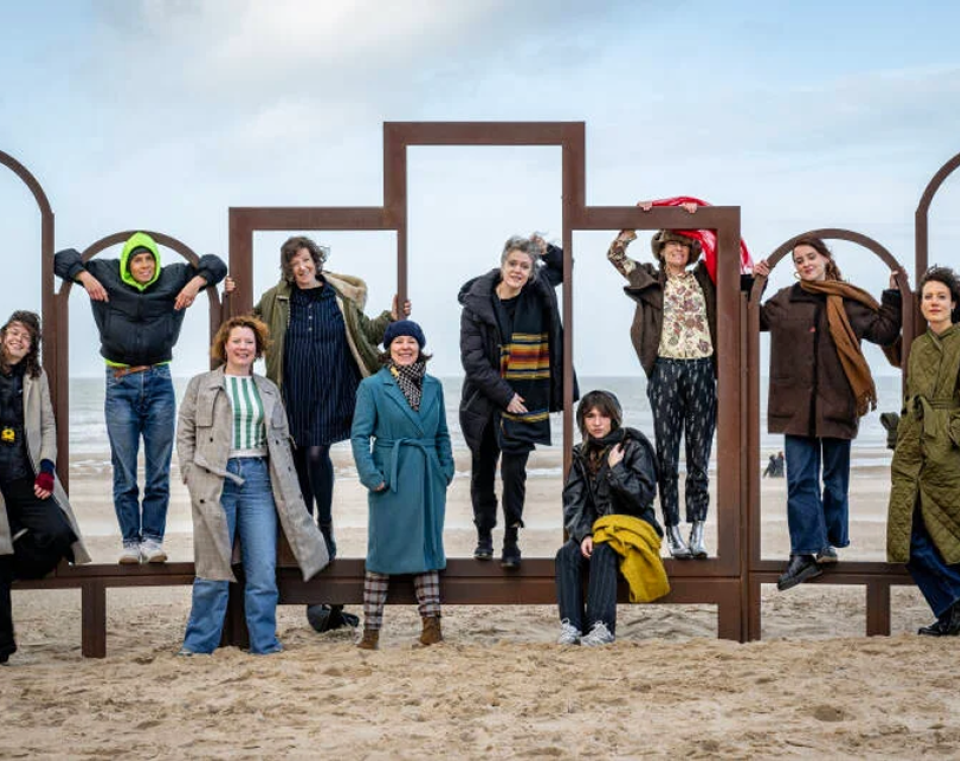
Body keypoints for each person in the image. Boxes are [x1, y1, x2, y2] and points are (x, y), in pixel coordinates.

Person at [225, 235, 409, 633]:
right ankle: (313, 551)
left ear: (316, 261)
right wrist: (229, 297)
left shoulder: (339, 297)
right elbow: (247, 329)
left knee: (313, 456)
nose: (302, 267)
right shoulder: (277, 298)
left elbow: (369, 332)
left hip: (331, 390)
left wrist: (392, 316)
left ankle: (321, 522)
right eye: (295, 263)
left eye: (307, 260)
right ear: (288, 268)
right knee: (296, 462)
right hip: (292, 394)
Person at [55, 233, 227, 564]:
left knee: (159, 468)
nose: (144, 265)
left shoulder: (174, 277)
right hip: (119, 384)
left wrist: (196, 284)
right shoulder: (105, 273)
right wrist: (85, 276)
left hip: (160, 381)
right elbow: (61, 258)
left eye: (149, 259)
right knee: (124, 469)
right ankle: (130, 542)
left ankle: (152, 539)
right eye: (137, 259)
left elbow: (216, 264)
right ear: (127, 262)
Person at [754, 237, 902, 591]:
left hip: (838, 403)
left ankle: (828, 543)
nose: (805, 263)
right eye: (799, 260)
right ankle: (805, 553)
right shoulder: (785, 300)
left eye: (810, 257)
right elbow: (751, 318)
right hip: (793, 406)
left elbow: (884, 332)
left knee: (835, 484)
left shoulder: (848, 300)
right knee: (799, 482)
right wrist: (753, 284)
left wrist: (893, 296)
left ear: (825, 258)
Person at [176, 316, 329, 655]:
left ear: (257, 349)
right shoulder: (201, 384)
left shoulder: (268, 389)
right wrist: (189, 471)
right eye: (237, 341)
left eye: (249, 342)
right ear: (224, 346)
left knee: (262, 569)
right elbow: (185, 433)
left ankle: (264, 643)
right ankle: (198, 644)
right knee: (213, 566)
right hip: (215, 479)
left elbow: (281, 440)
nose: (243, 347)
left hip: (260, 480)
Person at [606, 205, 720, 559]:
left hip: (702, 368)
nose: (678, 250)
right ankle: (672, 531)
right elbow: (615, 254)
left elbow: (722, 246)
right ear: (661, 249)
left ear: (691, 251)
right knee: (668, 457)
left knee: (699, 455)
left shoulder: (705, 278)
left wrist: (694, 212)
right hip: (665, 370)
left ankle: (698, 528)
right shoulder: (650, 279)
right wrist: (644, 217)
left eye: (684, 245)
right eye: (671, 244)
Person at [459, 234, 573, 568]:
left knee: (514, 474)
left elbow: (566, 266)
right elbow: (473, 361)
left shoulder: (538, 291)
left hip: (526, 399)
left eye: (525, 265)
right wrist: (504, 395)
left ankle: (511, 539)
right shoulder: (476, 303)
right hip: (484, 402)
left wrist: (546, 249)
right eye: (513, 264)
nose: (519, 271)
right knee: (482, 473)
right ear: (502, 263)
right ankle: (484, 536)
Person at [350, 321, 454, 650]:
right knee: (382, 550)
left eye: (412, 341)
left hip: (426, 475)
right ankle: (371, 631)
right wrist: (371, 475)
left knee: (426, 547)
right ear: (389, 347)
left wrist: (445, 470)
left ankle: (432, 626)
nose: (405, 346)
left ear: (419, 347)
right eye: (399, 341)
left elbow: (442, 433)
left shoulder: (434, 386)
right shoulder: (372, 386)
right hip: (390, 476)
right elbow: (359, 435)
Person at [0, 311, 90, 664]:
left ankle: (11, 565)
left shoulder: (36, 376)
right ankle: (3, 649)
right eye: (13, 332)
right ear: (3, 334)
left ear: (32, 346)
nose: (18, 339)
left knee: (57, 533)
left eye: (26, 337)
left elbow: (48, 425)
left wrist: (47, 469)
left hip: (26, 476)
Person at [555, 390, 667, 647]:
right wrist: (583, 534)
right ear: (582, 420)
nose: (597, 423)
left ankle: (601, 626)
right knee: (566, 554)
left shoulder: (633, 447)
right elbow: (573, 501)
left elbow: (642, 497)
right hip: (597, 529)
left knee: (604, 550)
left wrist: (617, 469)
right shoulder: (581, 454)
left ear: (614, 418)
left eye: (603, 416)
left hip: (632, 525)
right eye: (590, 416)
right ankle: (571, 625)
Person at [887, 266, 960, 636]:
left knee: (949, 534)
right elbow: (890, 348)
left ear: (953, 303)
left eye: (941, 296)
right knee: (910, 537)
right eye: (928, 296)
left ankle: (952, 609)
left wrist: (948, 432)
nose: (933, 302)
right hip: (913, 451)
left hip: (949, 456)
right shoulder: (917, 346)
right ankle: (953, 604)